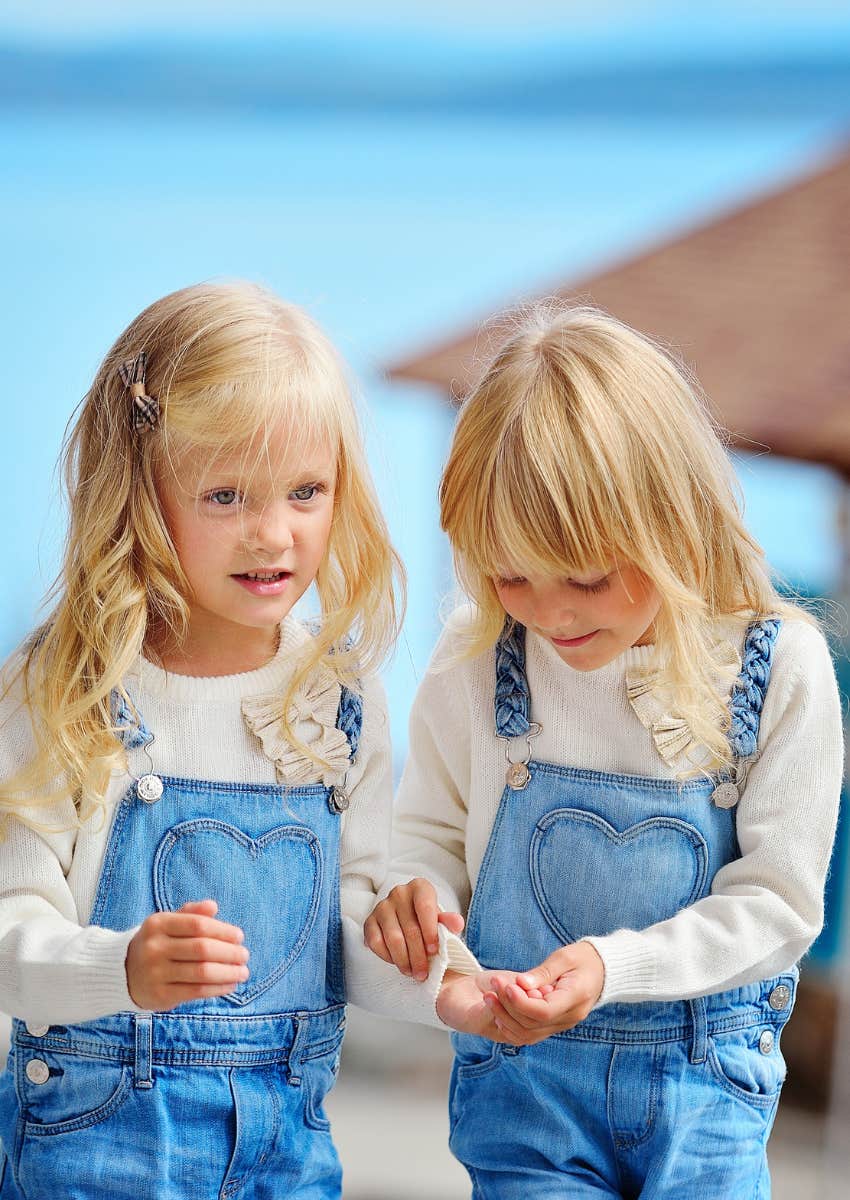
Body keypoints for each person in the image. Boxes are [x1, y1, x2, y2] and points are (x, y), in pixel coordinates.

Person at [365, 305, 844, 1198]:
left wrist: (611, 968)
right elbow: (425, 835)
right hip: (525, 1096)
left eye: (586, 576)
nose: (551, 614)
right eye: (511, 576)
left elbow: (778, 906)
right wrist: (418, 897)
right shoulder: (476, 659)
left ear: (677, 518)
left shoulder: (778, 669)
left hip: (706, 1098)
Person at [0, 281, 464, 1200]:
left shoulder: (338, 699)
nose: (273, 533)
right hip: (92, 1152)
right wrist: (118, 967)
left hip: (286, 1155)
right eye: (225, 495)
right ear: (136, 495)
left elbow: (351, 932)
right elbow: (13, 931)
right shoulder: (66, 689)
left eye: (305, 491)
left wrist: (433, 960)